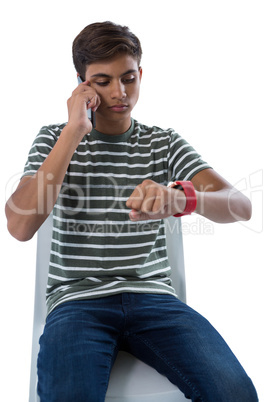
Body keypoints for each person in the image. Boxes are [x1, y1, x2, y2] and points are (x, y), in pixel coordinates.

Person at [5, 21, 258, 402]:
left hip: (154, 300)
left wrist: (183, 197)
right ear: (81, 84)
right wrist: (74, 131)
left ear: (141, 74)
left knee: (235, 393)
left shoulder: (164, 142)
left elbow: (240, 206)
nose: (120, 93)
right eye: (103, 81)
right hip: (77, 303)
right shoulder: (53, 138)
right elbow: (20, 226)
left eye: (128, 78)